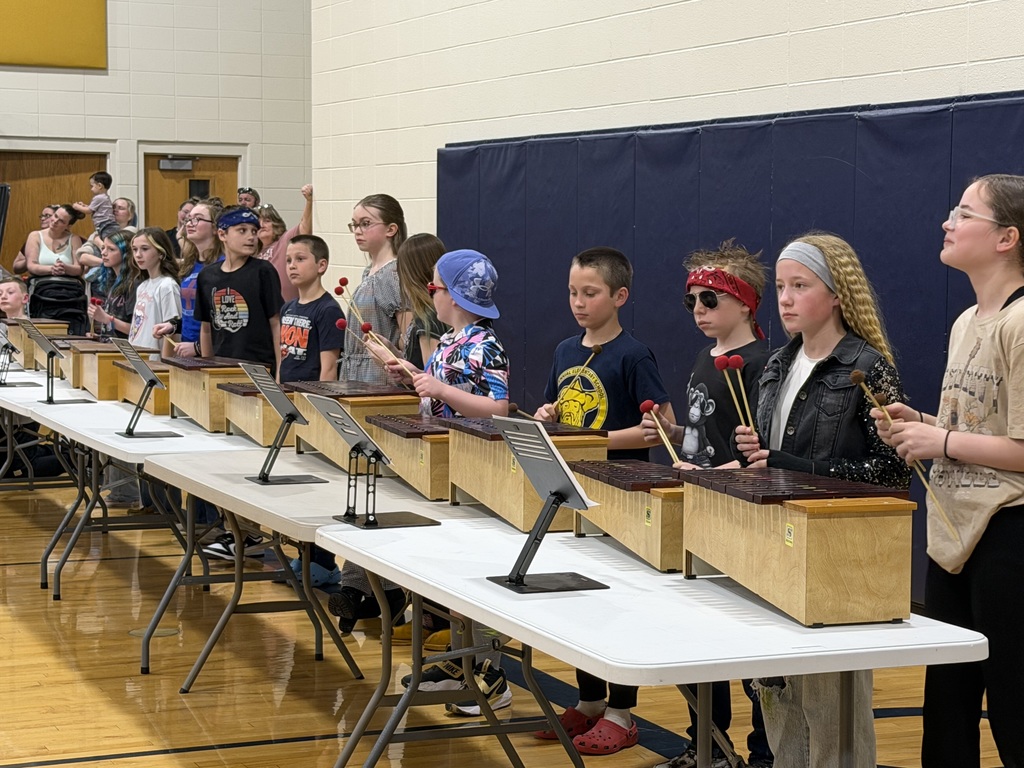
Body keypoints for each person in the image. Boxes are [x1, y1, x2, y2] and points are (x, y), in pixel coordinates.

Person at [735, 233, 911, 768]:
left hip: (837, 558)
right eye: (782, 287)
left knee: (829, 706)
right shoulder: (773, 367)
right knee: (777, 695)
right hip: (777, 545)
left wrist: (788, 465)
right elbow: (772, 463)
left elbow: (890, 471)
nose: (785, 299)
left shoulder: (866, 366)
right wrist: (749, 459)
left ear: (837, 295)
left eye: (800, 286)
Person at [873, 174, 1024, 768]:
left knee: (1013, 697)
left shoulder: (1020, 323)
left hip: (1008, 533)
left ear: (1007, 237)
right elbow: (982, 428)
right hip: (953, 535)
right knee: (947, 701)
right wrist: (926, 424)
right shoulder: (967, 321)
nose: (947, 222)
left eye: (964, 213)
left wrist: (943, 440)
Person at [532, 246, 674, 756]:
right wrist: (550, 417)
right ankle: (589, 700)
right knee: (580, 599)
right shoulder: (566, 350)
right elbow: (559, 411)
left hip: (623, 493)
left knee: (617, 603)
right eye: (572, 292)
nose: (578, 301)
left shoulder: (634, 355)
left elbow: (658, 431)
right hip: (577, 491)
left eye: (589, 293)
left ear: (619, 296)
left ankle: (622, 711)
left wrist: (597, 441)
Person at [641, 241, 774, 768]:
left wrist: (727, 472)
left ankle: (765, 752)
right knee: (702, 637)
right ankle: (708, 747)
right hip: (701, 506)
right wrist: (673, 432)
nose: (698, 310)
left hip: (746, 512)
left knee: (752, 647)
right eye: (691, 301)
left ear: (745, 304)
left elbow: (766, 450)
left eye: (710, 300)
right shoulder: (703, 356)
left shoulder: (765, 363)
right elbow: (703, 432)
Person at [197, 206, 283, 560]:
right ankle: (231, 528)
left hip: (257, 371)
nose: (251, 237)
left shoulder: (263, 271)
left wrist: (279, 374)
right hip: (222, 371)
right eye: (243, 231)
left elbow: (277, 323)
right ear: (223, 235)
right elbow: (206, 327)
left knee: (250, 456)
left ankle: (247, 534)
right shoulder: (209, 276)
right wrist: (205, 371)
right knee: (223, 457)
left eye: (255, 230)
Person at [276, 234, 345, 585]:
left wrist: (318, 409)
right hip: (289, 402)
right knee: (294, 489)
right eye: (288, 260)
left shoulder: (328, 310)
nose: (292, 266)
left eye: (300, 259)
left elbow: (328, 369)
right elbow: (283, 359)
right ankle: (303, 556)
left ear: (321, 265)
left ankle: (324, 562)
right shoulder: (290, 309)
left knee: (316, 488)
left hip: (311, 404)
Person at [338, 194, 406, 385]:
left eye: (366, 223)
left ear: (391, 229)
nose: (358, 231)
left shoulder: (393, 274)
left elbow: (407, 338)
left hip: (380, 378)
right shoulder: (369, 272)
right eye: (354, 225)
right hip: (357, 375)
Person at [364, 233, 447, 371]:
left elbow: (432, 380)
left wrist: (388, 360)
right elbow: (417, 365)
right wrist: (392, 352)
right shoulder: (428, 313)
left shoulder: (428, 317)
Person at [153, 199, 224, 358]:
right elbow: (192, 312)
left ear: (215, 228)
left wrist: (198, 347)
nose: (190, 224)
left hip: (213, 353)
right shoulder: (190, 264)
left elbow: (224, 321)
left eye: (197, 219)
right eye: (188, 219)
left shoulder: (223, 265)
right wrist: (173, 326)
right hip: (187, 349)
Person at [255, 185, 313, 302]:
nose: (261, 225)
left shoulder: (284, 241)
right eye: (258, 221)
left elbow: (304, 227)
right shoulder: (250, 251)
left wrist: (309, 201)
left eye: (267, 221)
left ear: (276, 223)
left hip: (286, 309)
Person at [128, 228, 181, 352]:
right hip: (138, 356)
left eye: (145, 249)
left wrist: (165, 365)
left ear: (161, 253)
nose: (138, 255)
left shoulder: (167, 285)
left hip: (155, 360)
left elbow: (172, 332)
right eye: (135, 249)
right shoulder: (142, 286)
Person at [86, 230, 140, 338]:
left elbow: (137, 330)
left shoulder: (134, 284)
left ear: (126, 253)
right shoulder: (113, 281)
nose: (103, 253)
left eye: (111, 249)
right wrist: (100, 336)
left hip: (126, 351)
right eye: (103, 248)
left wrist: (105, 318)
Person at [72, 171, 118, 242]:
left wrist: (77, 206)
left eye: (92, 186)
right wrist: (85, 206)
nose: (91, 189)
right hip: (107, 224)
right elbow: (93, 208)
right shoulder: (104, 197)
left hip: (105, 224)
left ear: (99, 186)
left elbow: (88, 211)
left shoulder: (99, 197)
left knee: (107, 241)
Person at [13, 205, 57, 275]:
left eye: (47, 215)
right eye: (42, 216)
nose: (42, 219)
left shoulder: (73, 239)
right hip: (39, 281)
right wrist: (30, 258)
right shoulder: (34, 239)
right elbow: (16, 267)